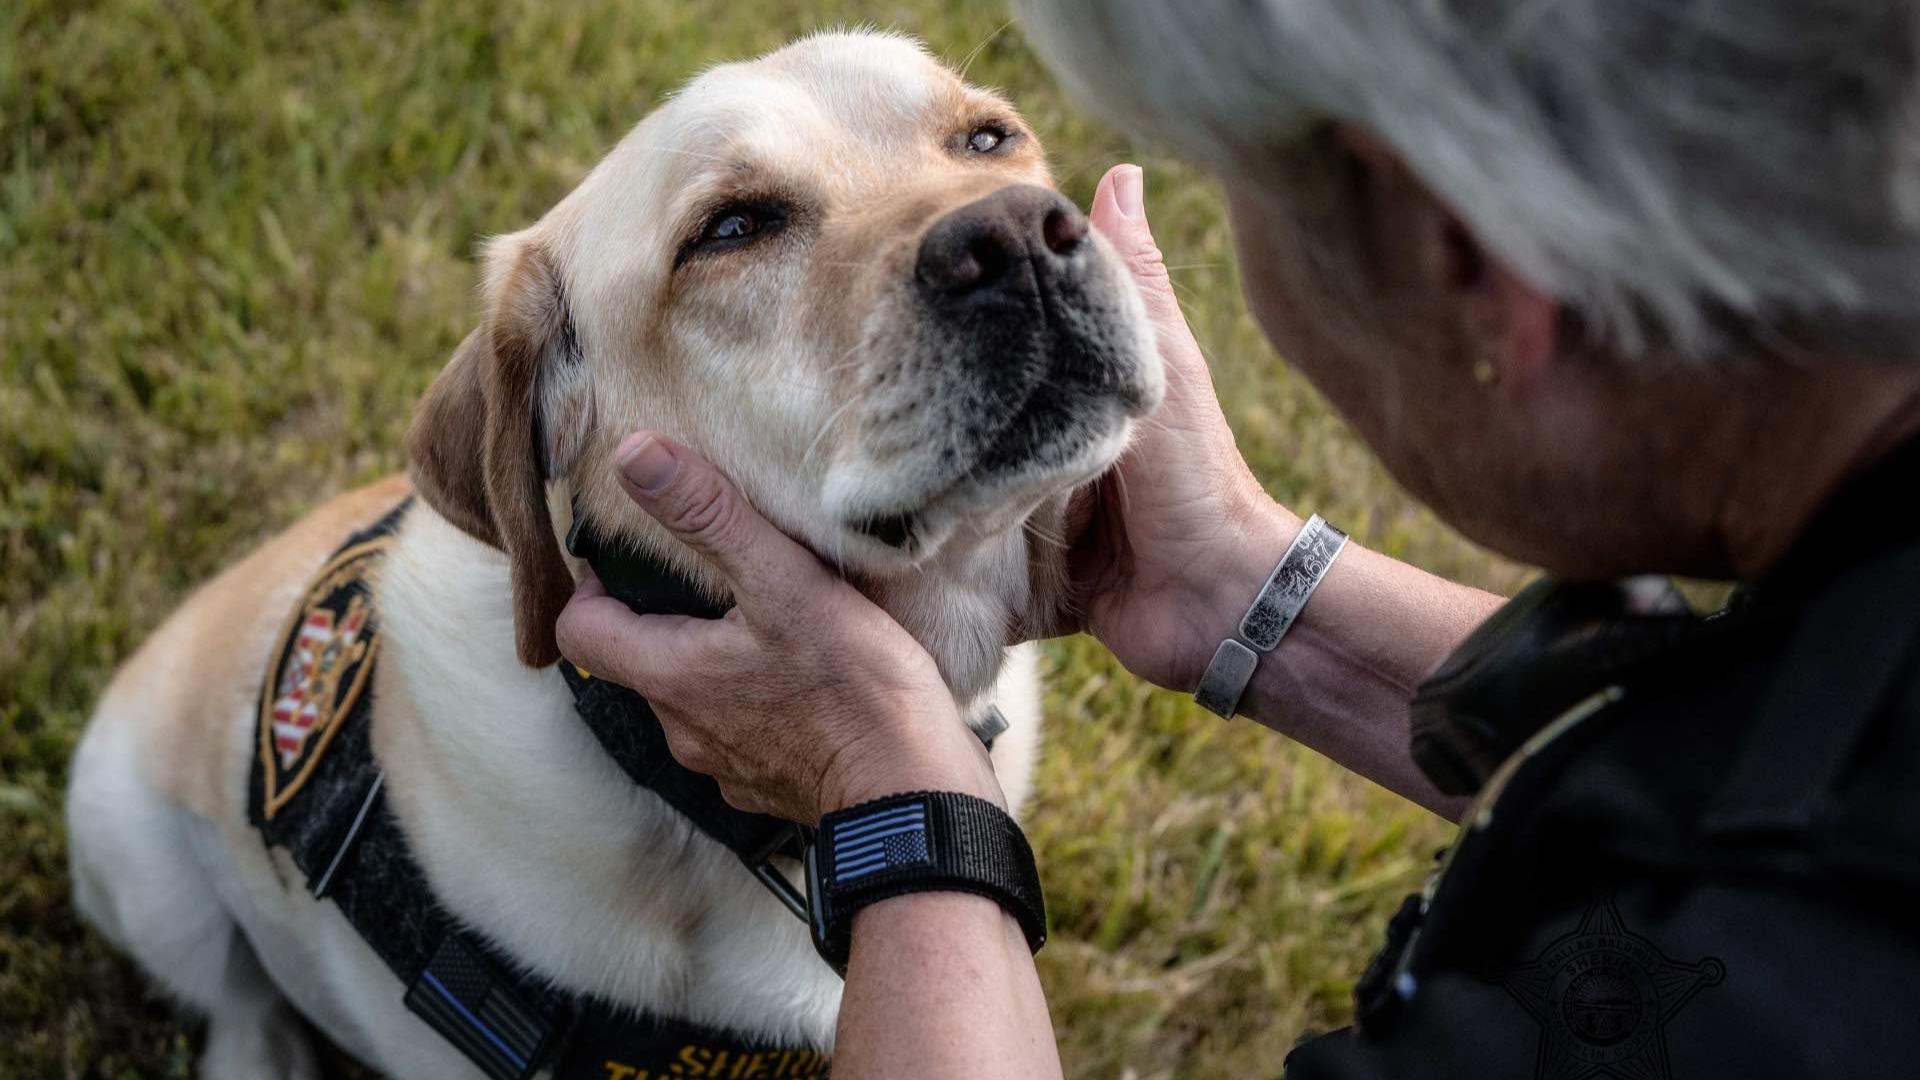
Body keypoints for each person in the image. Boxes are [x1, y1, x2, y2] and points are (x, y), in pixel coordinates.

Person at [556, 3, 1920, 1077]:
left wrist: (898, 806)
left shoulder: (1742, 1004)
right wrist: (1257, 598)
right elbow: (1758, 741)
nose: (1018, 235)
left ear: (1474, 262)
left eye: (1242, 188)